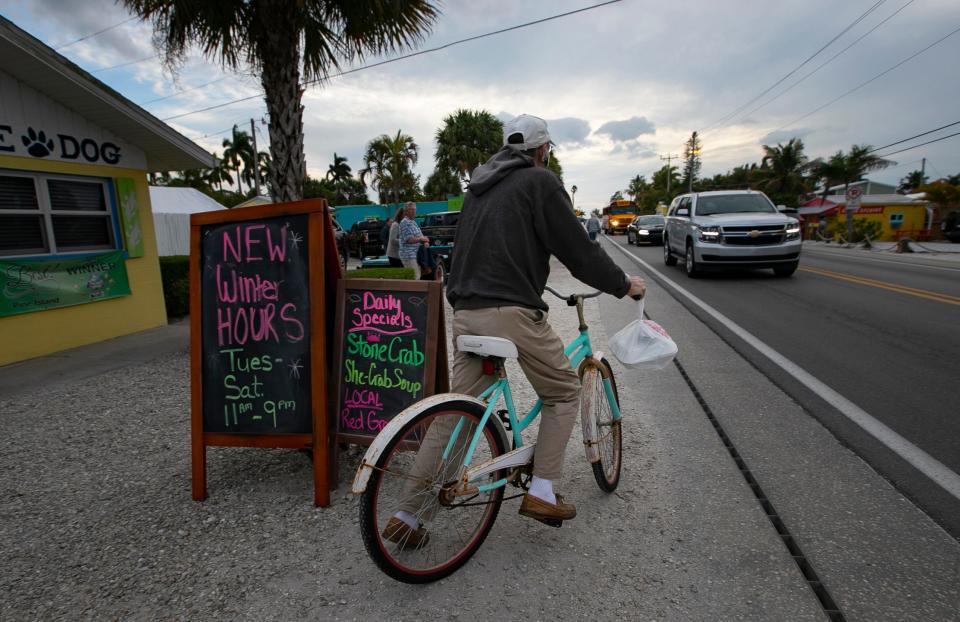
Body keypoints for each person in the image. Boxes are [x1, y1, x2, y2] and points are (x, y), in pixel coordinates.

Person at [382, 114, 645, 547]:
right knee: (562, 391)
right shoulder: (540, 182)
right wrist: (624, 285)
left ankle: (407, 514)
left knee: (458, 412)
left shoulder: (478, 189)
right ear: (543, 151)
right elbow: (579, 252)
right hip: (511, 312)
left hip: (465, 310)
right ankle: (542, 489)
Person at [398, 202, 429, 279]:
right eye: (411, 209)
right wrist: (421, 239)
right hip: (409, 255)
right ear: (406, 211)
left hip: (416, 254)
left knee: (417, 276)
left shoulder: (413, 222)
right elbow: (408, 239)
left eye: (414, 209)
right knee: (415, 278)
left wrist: (425, 241)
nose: (414, 211)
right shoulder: (405, 222)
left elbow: (420, 234)